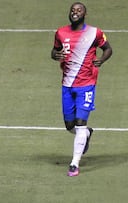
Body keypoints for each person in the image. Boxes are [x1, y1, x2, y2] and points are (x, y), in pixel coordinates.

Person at [51, 2, 112, 177]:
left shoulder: (94, 33)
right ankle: (86, 134)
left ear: (85, 14)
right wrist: (55, 55)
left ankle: (74, 164)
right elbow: (54, 52)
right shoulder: (61, 33)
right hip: (67, 85)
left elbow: (108, 49)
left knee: (79, 123)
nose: (75, 12)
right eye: (72, 10)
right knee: (69, 125)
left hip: (87, 84)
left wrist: (101, 59)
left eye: (79, 10)